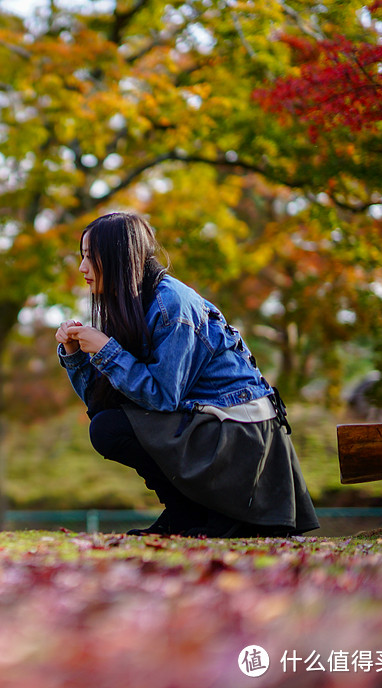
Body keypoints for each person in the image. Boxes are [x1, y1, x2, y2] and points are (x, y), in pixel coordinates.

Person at [56, 212, 319, 538]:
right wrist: (76, 355)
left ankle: (206, 513)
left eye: (90, 257)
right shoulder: (131, 304)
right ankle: (184, 513)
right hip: (209, 422)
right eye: (81, 257)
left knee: (110, 428)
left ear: (120, 257)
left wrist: (108, 350)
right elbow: (102, 404)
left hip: (241, 432)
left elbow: (163, 398)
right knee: (107, 423)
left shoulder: (172, 305)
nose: (82, 268)